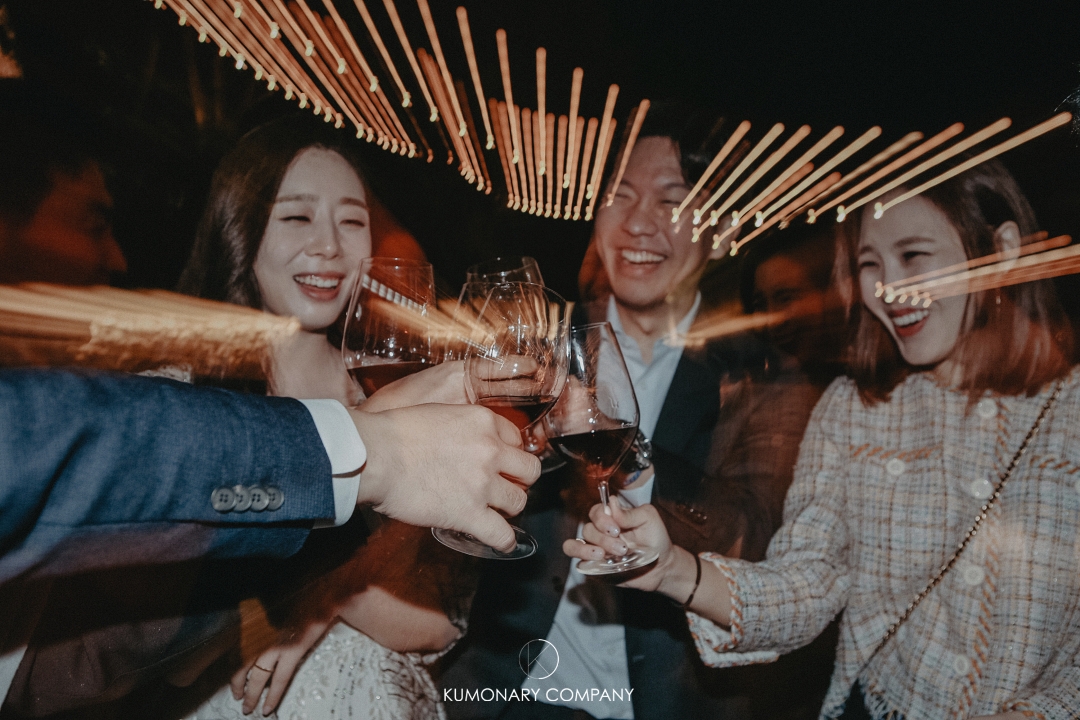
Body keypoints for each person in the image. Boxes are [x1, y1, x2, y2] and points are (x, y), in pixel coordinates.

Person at [2, 116, 535, 718]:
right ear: (242, 228)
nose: (329, 245)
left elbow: (442, 621)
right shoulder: (176, 407)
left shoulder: (411, 405)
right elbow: (136, 647)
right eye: (297, 216)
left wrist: (323, 597)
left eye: (352, 221)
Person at [568, 160, 1080, 720]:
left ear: (1001, 250)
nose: (887, 287)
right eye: (869, 263)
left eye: (913, 255)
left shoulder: (1068, 410)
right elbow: (808, 583)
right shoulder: (852, 409)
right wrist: (671, 570)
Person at [439, 104, 777, 720]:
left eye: (673, 200)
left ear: (725, 230)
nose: (639, 223)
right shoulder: (539, 343)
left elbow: (751, 537)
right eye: (619, 195)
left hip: (664, 700)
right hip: (512, 689)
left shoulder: (759, 374)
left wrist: (627, 457)